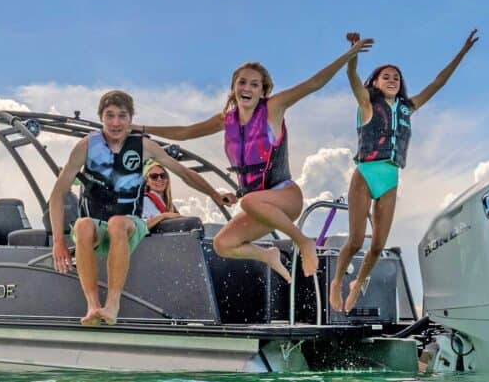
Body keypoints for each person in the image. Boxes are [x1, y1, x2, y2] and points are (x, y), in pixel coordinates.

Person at [141, 37, 374, 283]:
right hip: (259, 205)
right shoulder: (225, 120)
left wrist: (351, 55)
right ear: (233, 88)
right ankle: (268, 255)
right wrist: (141, 127)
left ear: (263, 91)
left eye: (255, 84)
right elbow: (185, 132)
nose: (247, 88)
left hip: (287, 198)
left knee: (250, 201)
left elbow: (314, 83)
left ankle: (303, 241)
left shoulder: (273, 109)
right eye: (242, 82)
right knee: (223, 243)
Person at [329, 30, 479, 313]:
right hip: (365, 173)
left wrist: (462, 52)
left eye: (396, 77)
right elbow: (351, 78)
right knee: (357, 239)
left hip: (390, 178)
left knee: (378, 247)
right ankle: (337, 281)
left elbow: (439, 82)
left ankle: (358, 282)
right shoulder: (366, 103)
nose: (392, 80)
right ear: (374, 82)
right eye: (386, 76)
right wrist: (352, 53)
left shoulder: (408, 108)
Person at [49, 90, 229, 326]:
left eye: (122, 116)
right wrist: (58, 242)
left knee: (117, 223)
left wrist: (215, 194)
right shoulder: (86, 146)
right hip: (95, 229)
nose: (116, 123)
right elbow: (57, 194)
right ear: (101, 118)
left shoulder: (144, 146)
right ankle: (93, 306)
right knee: (82, 224)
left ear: (131, 119)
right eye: (109, 116)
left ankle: (113, 304)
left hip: (129, 225)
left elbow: (183, 172)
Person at [140, 159, 182, 231]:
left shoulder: (170, 205)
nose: (159, 179)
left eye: (163, 176)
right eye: (154, 176)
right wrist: (164, 216)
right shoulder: (144, 201)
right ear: (147, 181)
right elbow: (139, 227)